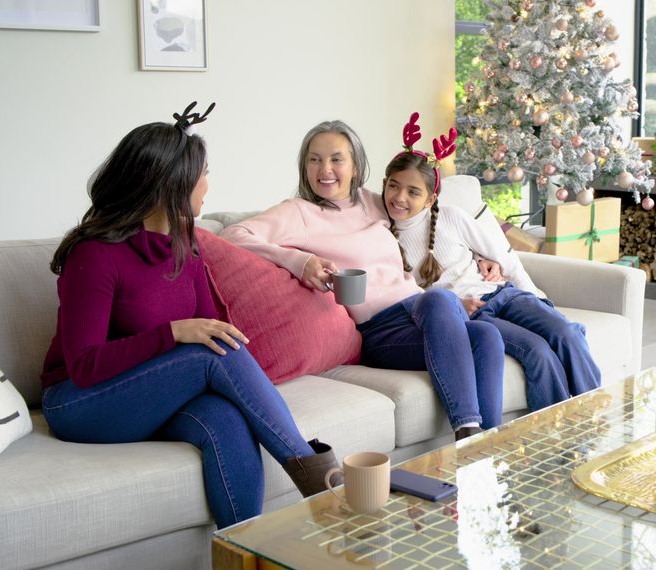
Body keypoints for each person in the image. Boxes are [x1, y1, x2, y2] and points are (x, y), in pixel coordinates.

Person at [40, 102, 341, 530]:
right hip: (79, 402)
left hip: (152, 393)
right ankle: (322, 484)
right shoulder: (95, 255)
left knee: (226, 419)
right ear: (172, 184)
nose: (207, 185)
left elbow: (211, 328)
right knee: (209, 353)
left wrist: (204, 345)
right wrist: (173, 333)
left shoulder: (184, 242)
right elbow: (85, 366)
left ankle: (243, 551)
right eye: (203, 174)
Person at [220, 119, 504, 439]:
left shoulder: (373, 201)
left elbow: (424, 221)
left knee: (486, 336)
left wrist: (480, 255)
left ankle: (487, 447)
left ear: (355, 166)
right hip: (379, 330)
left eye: (336, 159)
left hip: (420, 311)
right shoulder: (297, 211)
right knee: (440, 299)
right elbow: (232, 235)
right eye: (315, 159)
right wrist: (300, 261)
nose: (325, 169)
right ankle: (467, 431)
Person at [381, 113, 601, 412]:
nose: (399, 197)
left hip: (503, 293)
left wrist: (538, 298)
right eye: (393, 186)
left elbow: (503, 256)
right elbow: (403, 294)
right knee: (538, 352)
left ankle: (593, 416)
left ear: (431, 199)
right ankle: (559, 438)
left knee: (565, 332)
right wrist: (456, 306)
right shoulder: (381, 235)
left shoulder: (451, 217)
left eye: (413, 191)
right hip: (473, 314)